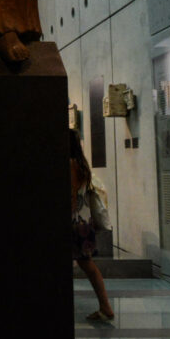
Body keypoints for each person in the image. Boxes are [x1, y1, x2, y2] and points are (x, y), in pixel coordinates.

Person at [70, 129, 114, 322]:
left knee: (87, 265)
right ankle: (105, 307)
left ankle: (106, 306)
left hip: (74, 223)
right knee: (87, 265)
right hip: (83, 222)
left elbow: (72, 196)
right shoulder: (82, 164)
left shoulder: (71, 165)